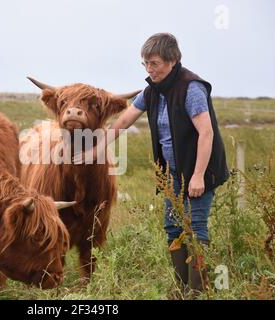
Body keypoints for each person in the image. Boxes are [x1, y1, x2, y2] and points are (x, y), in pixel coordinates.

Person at [73, 33, 229, 295]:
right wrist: (95, 150)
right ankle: (181, 289)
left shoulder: (191, 89)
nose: (149, 69)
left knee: (195, 228)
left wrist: (198, 176)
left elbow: (207, 133)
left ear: (172, 60)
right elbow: (123, 122)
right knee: (173, 227)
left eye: (154, 63)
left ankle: (198, 291)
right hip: (171, 174)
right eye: (144, 63)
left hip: (199, 171)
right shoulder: (152, 91)